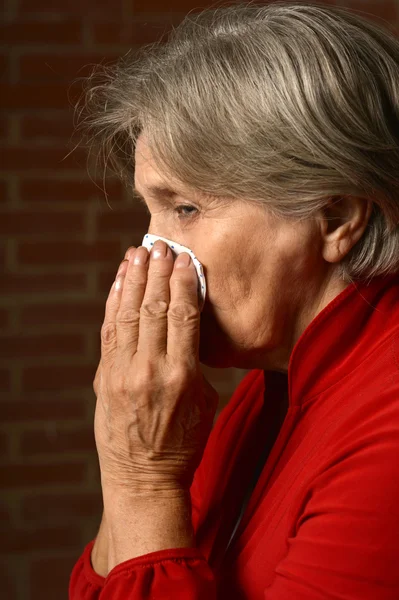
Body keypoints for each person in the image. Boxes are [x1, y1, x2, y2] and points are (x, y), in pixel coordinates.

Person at [69, 2, 399, 598]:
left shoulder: (389, 431)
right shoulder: (265, 387)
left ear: (334, 218)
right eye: (151, 211)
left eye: (186, 209)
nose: (152, 251)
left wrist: (140, 478)